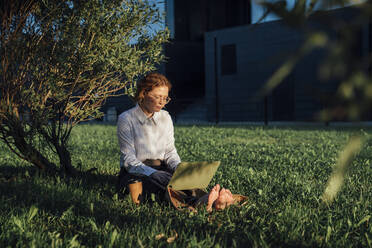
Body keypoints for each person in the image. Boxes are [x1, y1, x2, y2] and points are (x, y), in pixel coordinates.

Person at [117, 72, 181, 198]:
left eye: (165, 98)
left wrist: (178, 168)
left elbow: (169, 151)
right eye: (157, 97)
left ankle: (207, 199)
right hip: (136, 172)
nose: (162, 102)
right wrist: (152, 173)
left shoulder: (165, 117)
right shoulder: (126, 118)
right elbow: (129, 160)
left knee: (183, 182)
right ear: (144, 93)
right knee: (165, 188)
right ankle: (198, 202)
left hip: (162, 169)